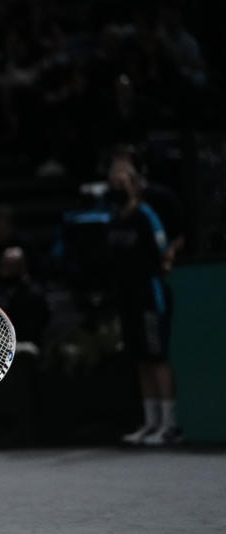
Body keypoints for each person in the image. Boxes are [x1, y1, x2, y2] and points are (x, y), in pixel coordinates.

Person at [107, 163, 181, 446]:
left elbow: (164, 252)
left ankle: (169, 424)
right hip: (127, 299)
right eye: (112, 182)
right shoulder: (114, 219)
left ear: (135, 186)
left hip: (150, 295)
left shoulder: (146, 215)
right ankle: (151, 422)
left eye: (122, 182)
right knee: (140, 360)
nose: (116, 187)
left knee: (157, 357)